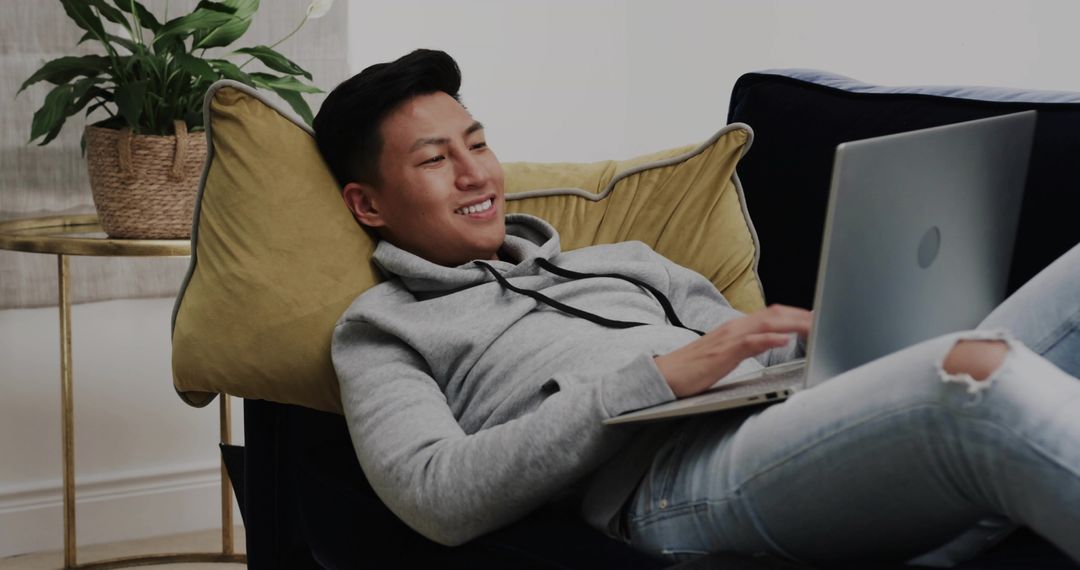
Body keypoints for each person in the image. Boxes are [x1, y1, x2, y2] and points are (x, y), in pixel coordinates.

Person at [312, 49, 1080, 565]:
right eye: (434, 159)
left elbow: (752, 362)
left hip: (791, 430)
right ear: (367, 204)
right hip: (670, 485)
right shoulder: (382, 330)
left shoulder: (623, 261)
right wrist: (651, 381)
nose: (475, 175)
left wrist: (837, 336)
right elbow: (438, 495)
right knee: (975, 372)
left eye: (477, 145)